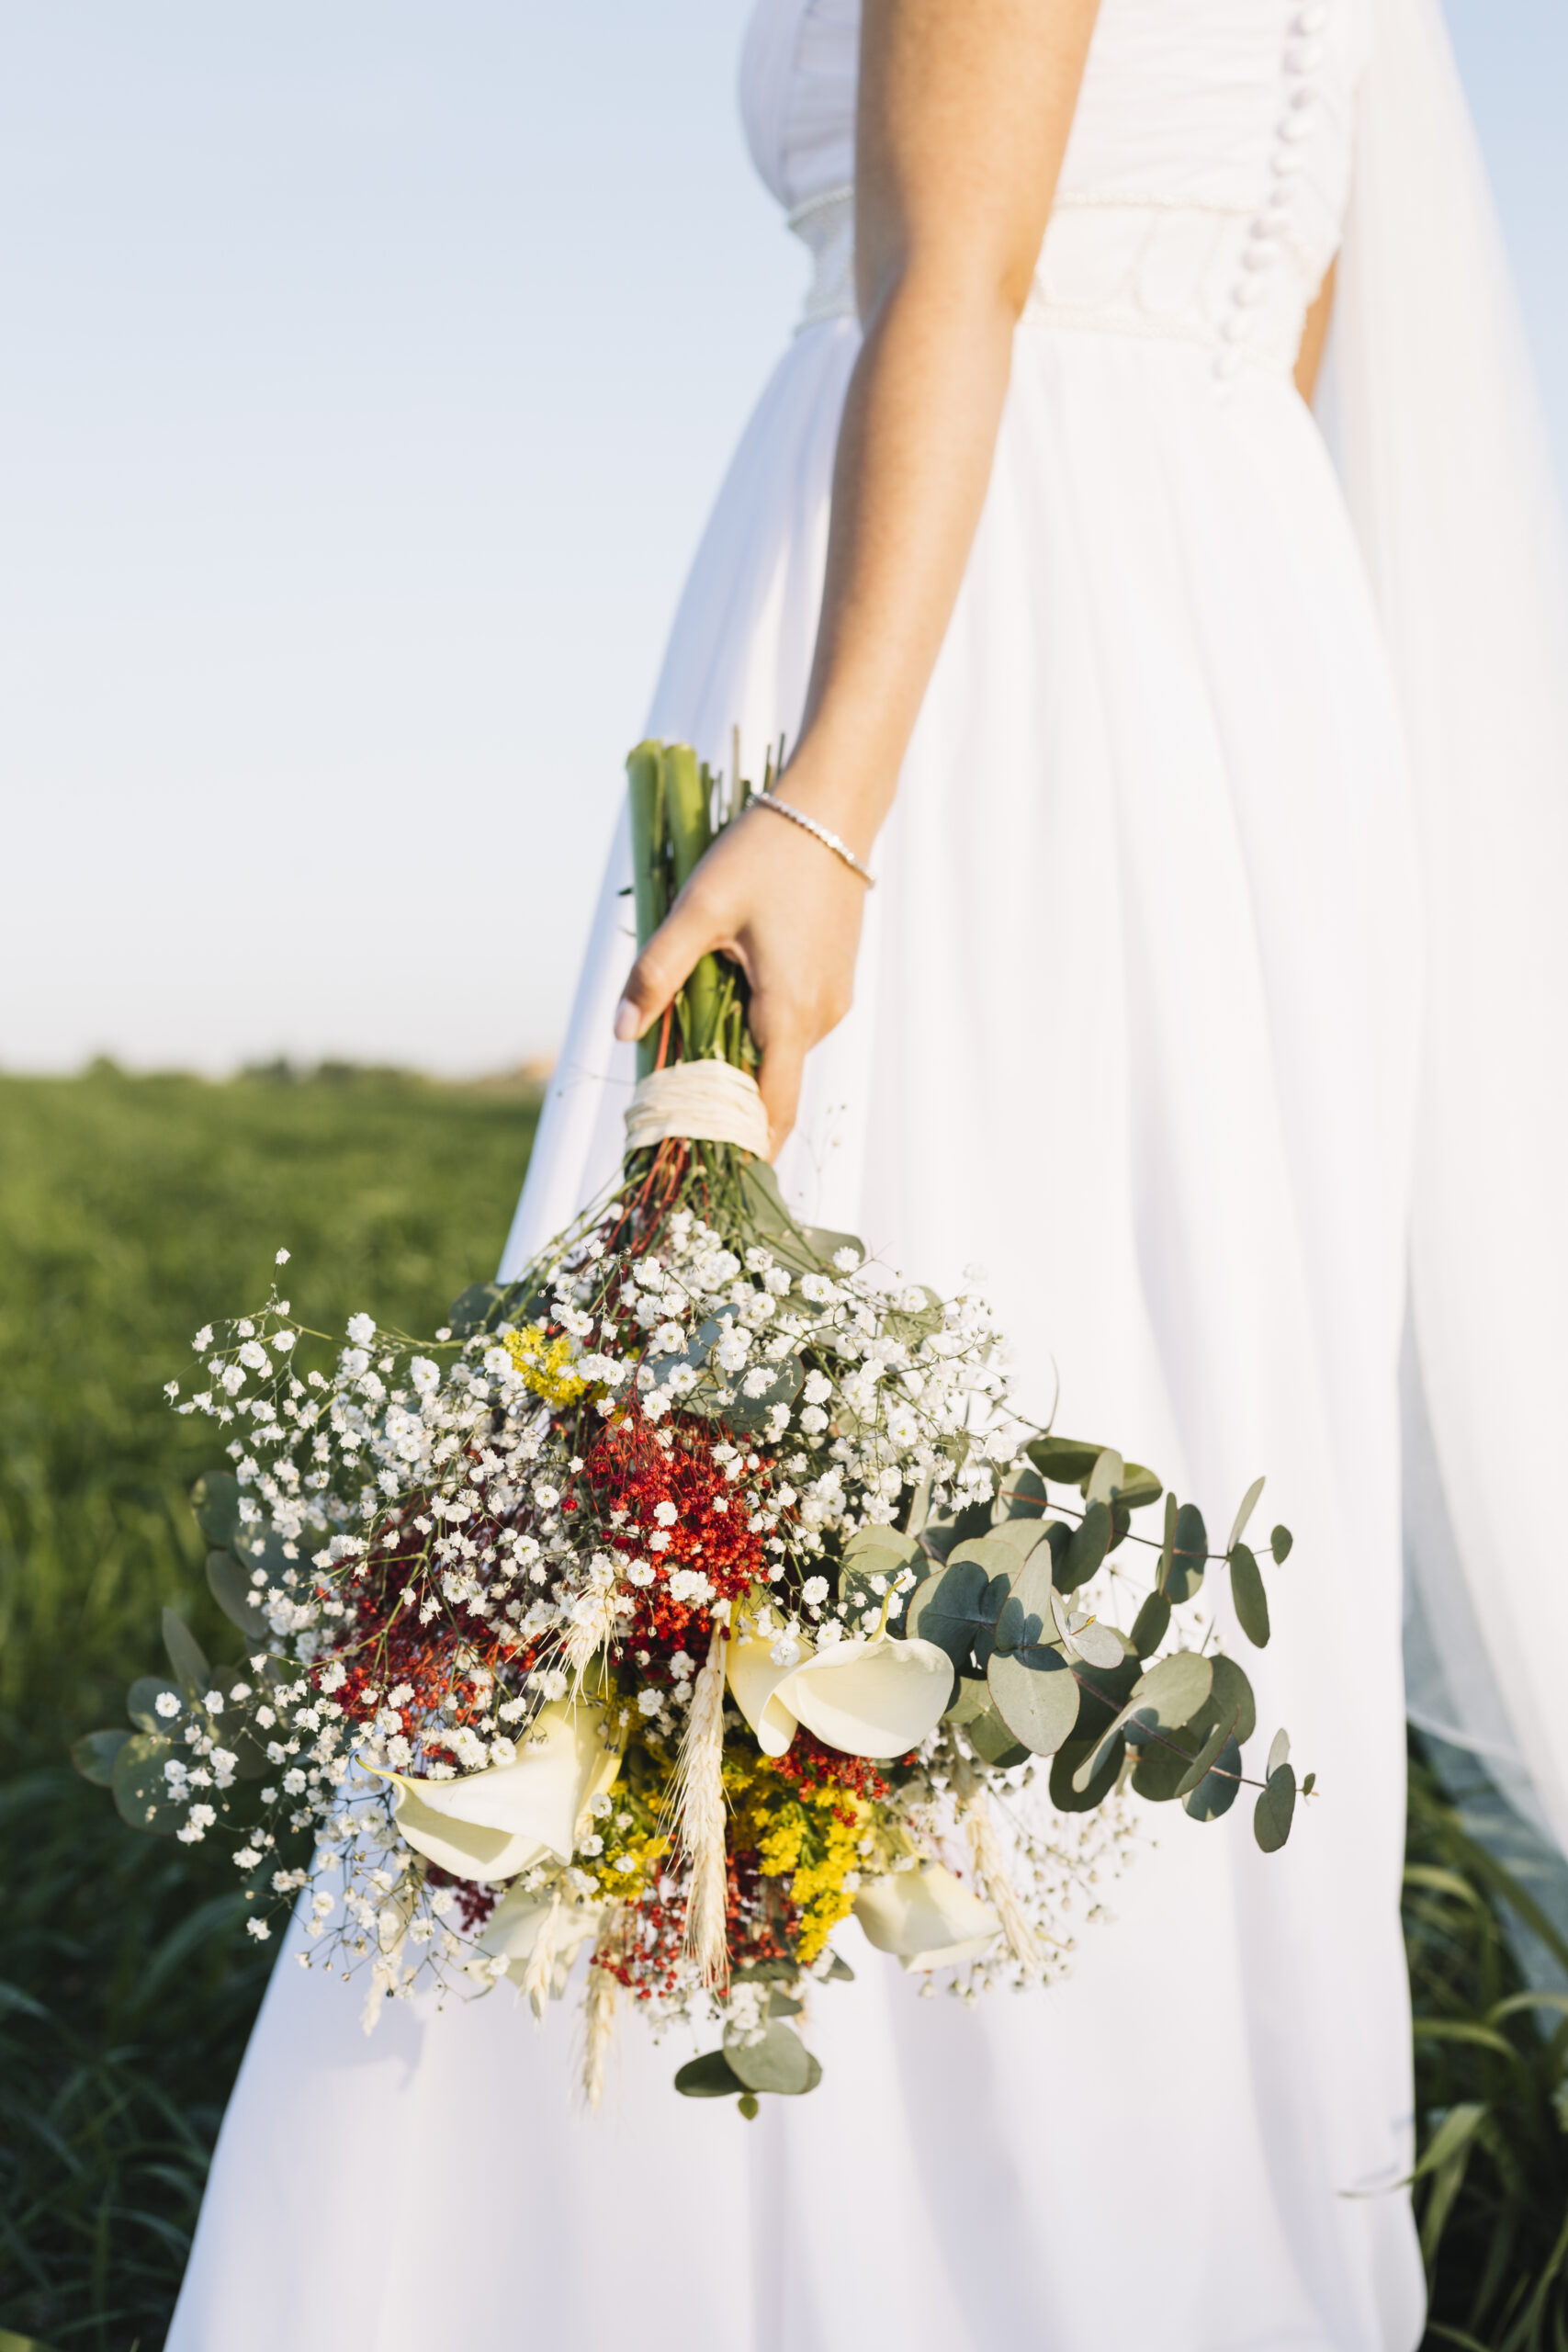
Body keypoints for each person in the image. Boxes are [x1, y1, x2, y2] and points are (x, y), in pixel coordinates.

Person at [169, 1, 1568, 2346]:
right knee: (1152, 1423)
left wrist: (823, 800)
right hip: (1234, 658)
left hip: (968, 643)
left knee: (825, 1382)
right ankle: (1138, 2234)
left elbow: (958, 278)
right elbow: (1286, 309)